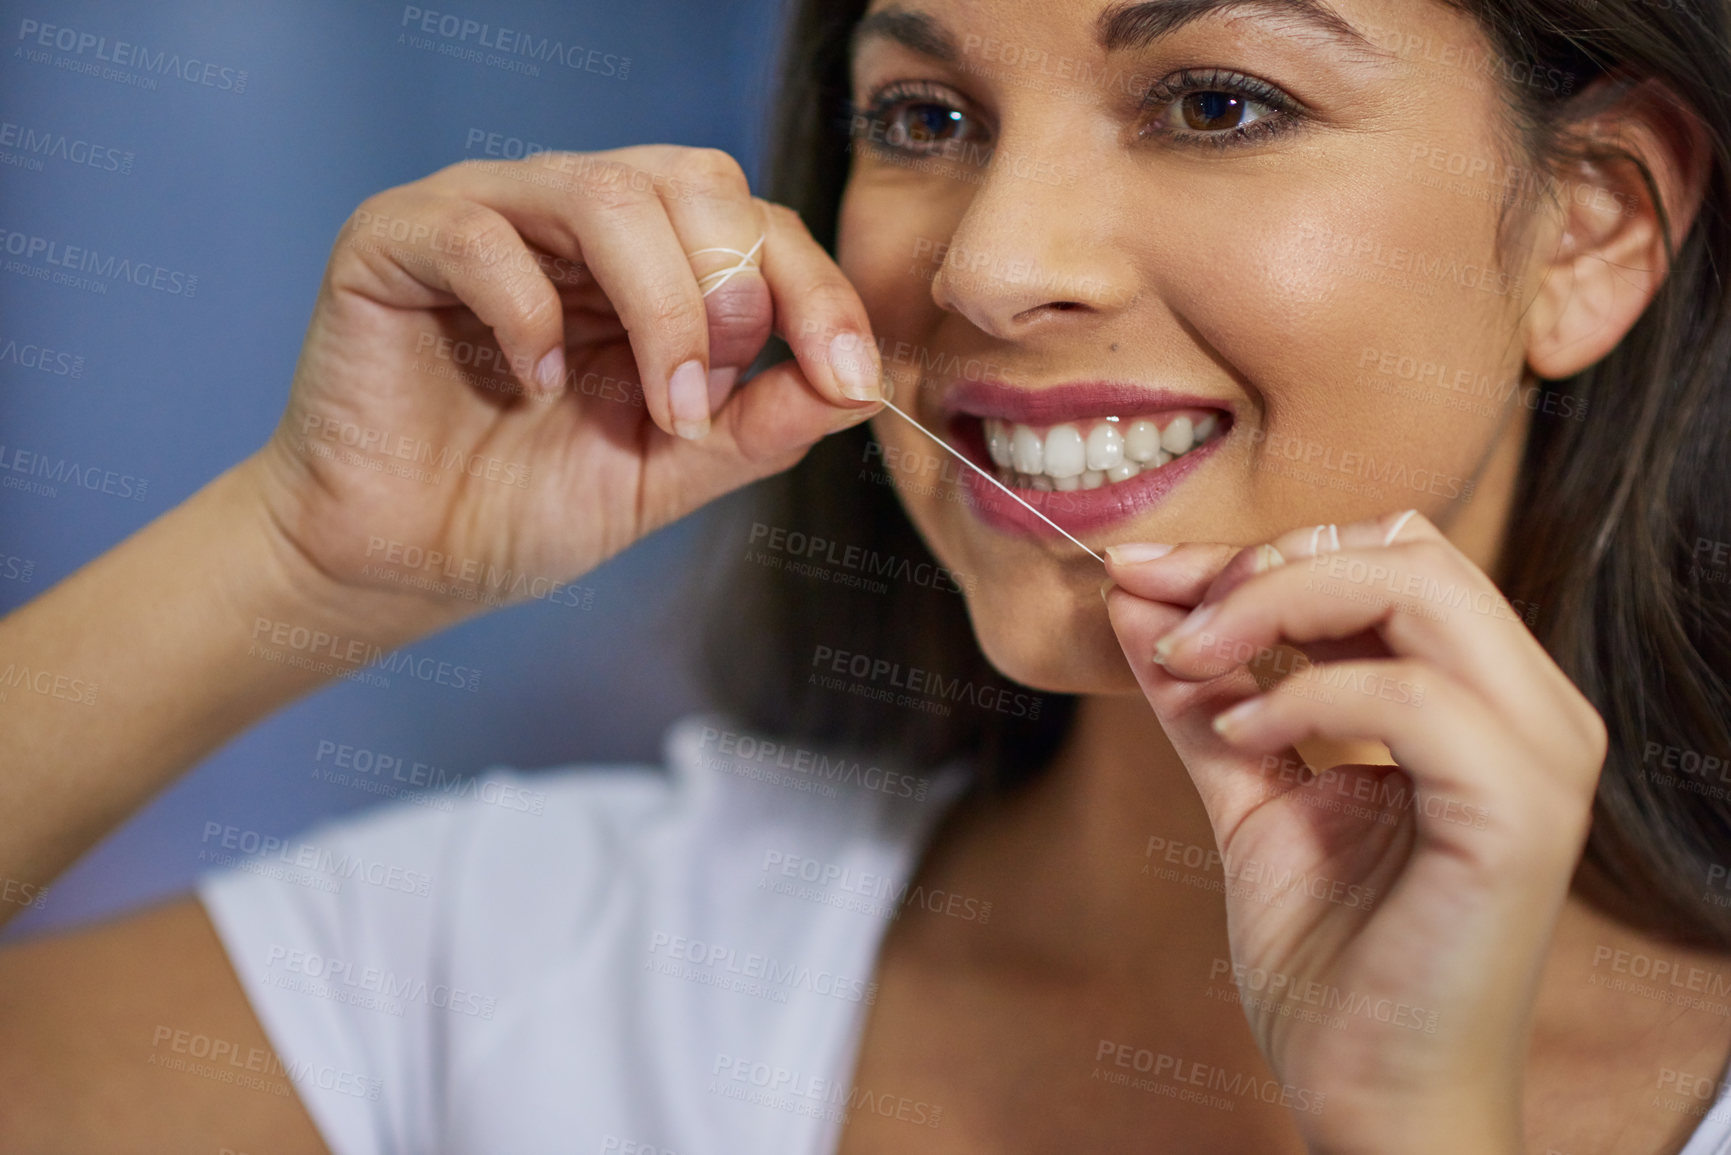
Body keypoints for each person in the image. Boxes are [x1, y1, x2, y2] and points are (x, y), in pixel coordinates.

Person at [3, 0, 1729, 1151]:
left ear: (1590, 230)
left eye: (1218, 101)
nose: (989, 261)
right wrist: (300, 553)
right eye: (924, 115)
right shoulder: (548, 966)